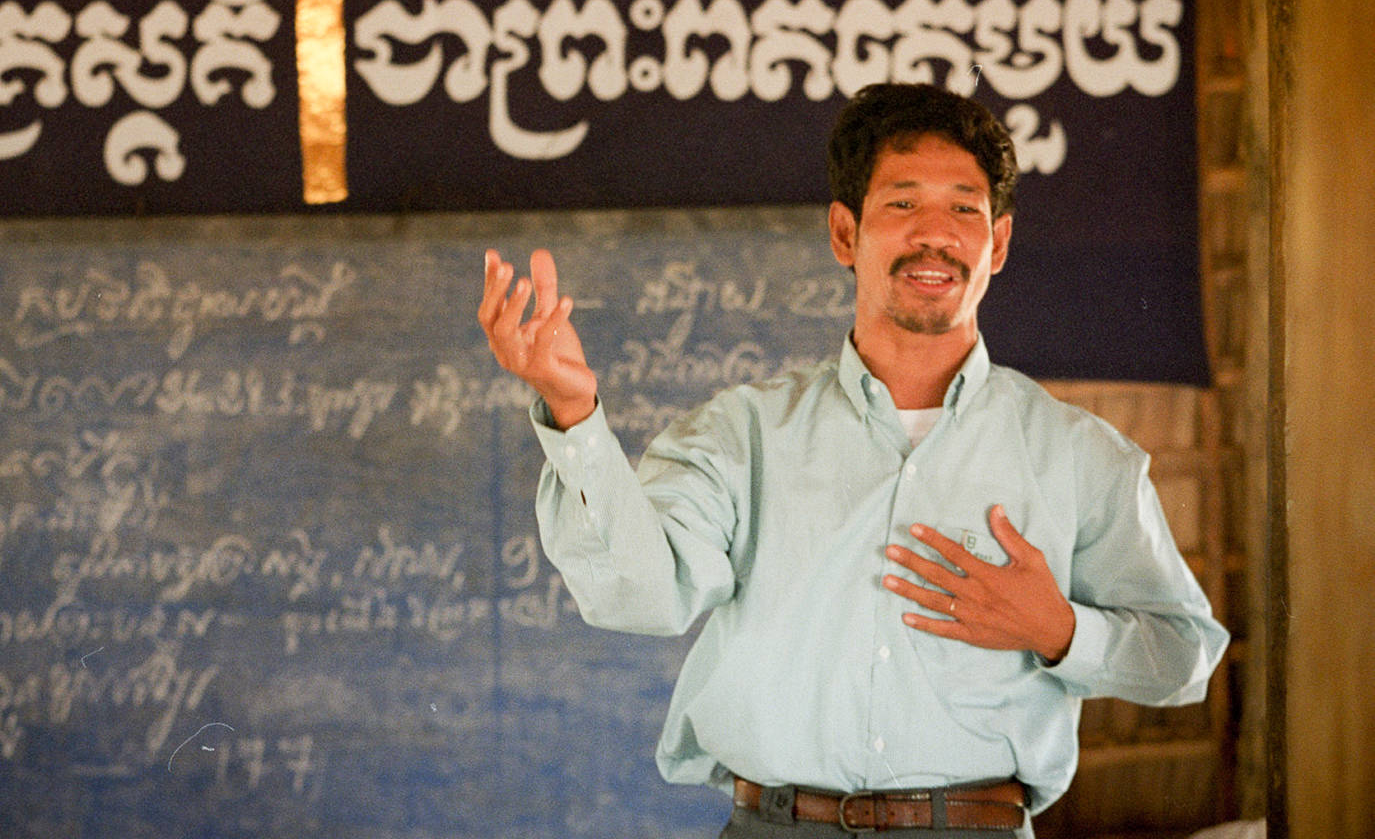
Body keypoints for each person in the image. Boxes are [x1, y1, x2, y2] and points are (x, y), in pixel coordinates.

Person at [476, 82, 1229, 838]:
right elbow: (642, 596)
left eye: (963, 208)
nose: (935, 233)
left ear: (996, 243)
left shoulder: (1079, 456)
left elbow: (1184, 657)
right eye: (901, 203)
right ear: (845, 233)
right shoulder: (742, 436)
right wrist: (572, 413)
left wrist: (1060, 629)